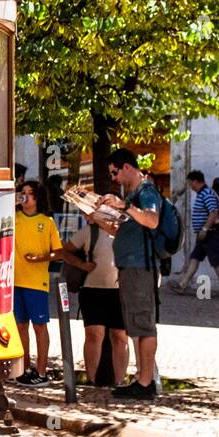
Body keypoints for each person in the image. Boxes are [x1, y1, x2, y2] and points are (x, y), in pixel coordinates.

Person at [97, 148, 163, 400]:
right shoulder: (134, 195)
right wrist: (96, 217)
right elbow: (122, 231)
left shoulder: (145, 192)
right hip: (130, 268)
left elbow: (152, 220)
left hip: (140, 267)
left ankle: (146, 382)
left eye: (114, 172)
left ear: (126, 167)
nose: (113, 178)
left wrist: (124, 206)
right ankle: (141, 379)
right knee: (136, 324)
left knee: (144, 325)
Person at [64, 216, 129, 388]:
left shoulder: (126, 231)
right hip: (92, 290)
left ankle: (120, 382)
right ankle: (91, 380)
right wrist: (81, 264)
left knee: (120, 337)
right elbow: (65, 251)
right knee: (94, 335)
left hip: (121, 291)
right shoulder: (89, 232)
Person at [13, 180, 64, 386]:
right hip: (15, 282)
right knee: (20, 327)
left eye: (30, 193)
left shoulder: (47, 222)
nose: (25, 196)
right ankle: (23, 369)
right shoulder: (13, 217)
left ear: (38, 197)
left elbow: (58, 253)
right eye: (22, 192)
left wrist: (40, 258)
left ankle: (41, 372)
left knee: (39, 327)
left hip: (36, 283)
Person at [171, 170, 219, 297]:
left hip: (210, 234)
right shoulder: (202, 193)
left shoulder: (206, 194)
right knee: (195, 258)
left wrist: (204, 229)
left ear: (195, 182)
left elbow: (213, 213)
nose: (189, 186)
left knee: (216, 262)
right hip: (204, 234)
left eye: (189, 183)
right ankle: (183, 285)